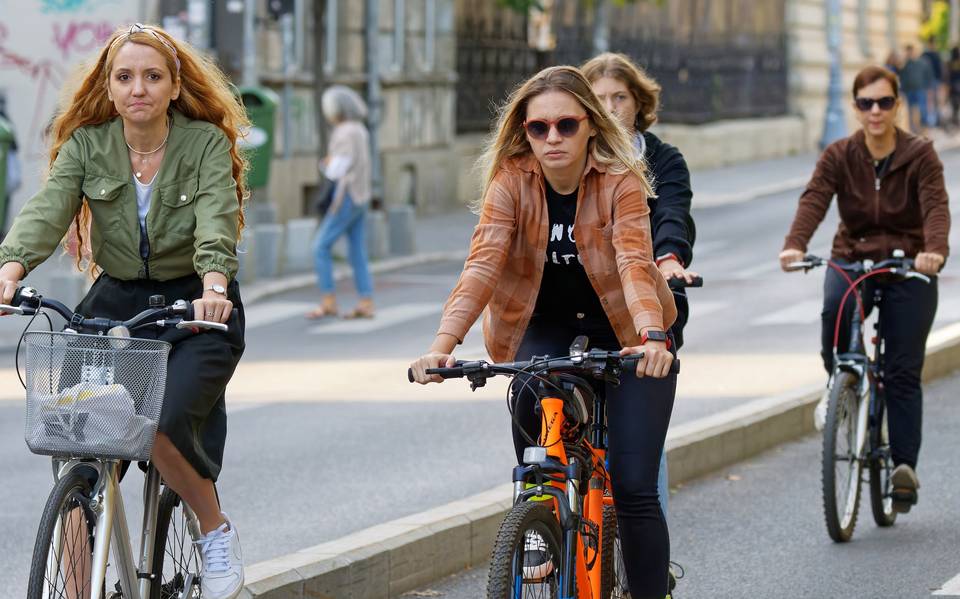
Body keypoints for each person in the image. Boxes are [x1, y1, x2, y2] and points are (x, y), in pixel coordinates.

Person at [410, 65, 678, 598]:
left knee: (632, 487)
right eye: (539, 128)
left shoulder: (619, 183)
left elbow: (632, 261)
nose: (552, 138)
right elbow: (482, 265)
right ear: (524, 132)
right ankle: (540, 526)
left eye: (566, 126)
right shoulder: (512, 181)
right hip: (544, 329)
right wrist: (442, 347)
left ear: (591, 128)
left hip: (623, 331)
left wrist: (651, 337)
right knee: (535, 435)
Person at [0, 23, 248, 598]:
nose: (139, 88)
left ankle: (214, 533)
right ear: (108, 88)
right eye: (125, 77)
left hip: (193, 307)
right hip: (112, 307)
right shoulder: (89, 145)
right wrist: (10, 270)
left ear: (174, 84)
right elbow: (48, 208)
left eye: (152, 76)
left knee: (158, 425)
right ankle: (81, 581)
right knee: (73, 433)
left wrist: (215, 283)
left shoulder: (203, 143)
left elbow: (215, 217)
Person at [779, 65, 949, 513]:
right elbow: (815, 198)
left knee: (901, 372)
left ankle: (903, 468)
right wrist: (795, 245)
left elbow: (935, 207)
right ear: (856, 107)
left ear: (897, 105)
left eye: (885, 102)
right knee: (833, 315)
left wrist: (933, 251)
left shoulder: (921, 155)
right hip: (852, 258)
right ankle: (843, 386)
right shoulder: (839, 155)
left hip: (907, 262)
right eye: (866, 103)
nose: (876, 111)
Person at [582, 51, 695, 587]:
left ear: (638, 103)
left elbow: (672, 211)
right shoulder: (570, 157)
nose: (609, 108)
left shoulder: (662, 159)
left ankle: (651, 563)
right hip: (582, 305)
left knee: (639, 454)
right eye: (598, 99)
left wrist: (670, 258)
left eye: (619, 98)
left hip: (649, 298)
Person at [305, 85, 374, 320]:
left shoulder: (344, 132)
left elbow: (336, 170)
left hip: (346, 197)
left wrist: (324, 164)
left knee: (320, 246)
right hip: (362, 195)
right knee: (357, 251)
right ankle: (366, 301)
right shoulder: (360, 129)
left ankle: (328, 300)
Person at [900, 44, 934, 134]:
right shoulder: (905, 64)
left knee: (922, 109)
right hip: (909, 90)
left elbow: (928, 75)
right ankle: (913, 129)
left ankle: (924, 127)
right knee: (910, 110)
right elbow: (902, 77)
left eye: (910, 51)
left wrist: (928, 88)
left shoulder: (921, 62)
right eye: (907, 51)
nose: (909, 53)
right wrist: (902, 91)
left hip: (920, 89)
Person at [922, 37, 945, 128]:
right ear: (930, 44)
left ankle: (936, 119)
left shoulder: (937, 54)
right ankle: (930, 120)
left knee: (936, 100)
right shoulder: (925, 54)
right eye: (933, 43)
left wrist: (941, 80)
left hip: (936, 80)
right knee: (929, 100)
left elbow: (940, 68)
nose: (934, 45)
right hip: (927, 81)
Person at [947, 46, 960, 129]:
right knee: (956, 102)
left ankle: (954, 117)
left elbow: (948, 75)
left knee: (954, 102)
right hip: (957, 84)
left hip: (952, 85)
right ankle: (955, 118)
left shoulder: (950, 63)